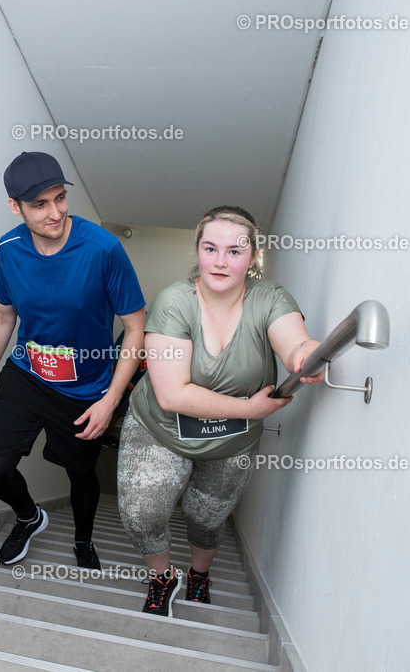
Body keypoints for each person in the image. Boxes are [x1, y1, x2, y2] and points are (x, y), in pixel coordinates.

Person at [117, 206, 323, 617]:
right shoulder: (175, 300)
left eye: (235, 250)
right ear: (198, 250)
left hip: (230, 441)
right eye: (211, 248)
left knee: (205, 520)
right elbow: (172, 394)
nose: (221, 261)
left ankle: (198, 574)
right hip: (161, 428)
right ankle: (163, 577)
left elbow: (294, 341)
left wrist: (309, 353)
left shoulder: (270, 298)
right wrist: (249, 409)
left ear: (253, 257)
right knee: (141, 513)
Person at [0, 151, 146, 569]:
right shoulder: (9, 249)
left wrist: (109, 401)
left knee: (82, 476)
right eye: (39, 204)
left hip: (85, 391)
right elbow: (3, 314)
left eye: (59, 199)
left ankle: (84, 541)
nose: (54, 213)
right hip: (26, 374)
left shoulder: (103, 249)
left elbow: (135, 328)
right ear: (15, 207)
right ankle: (28, 517)